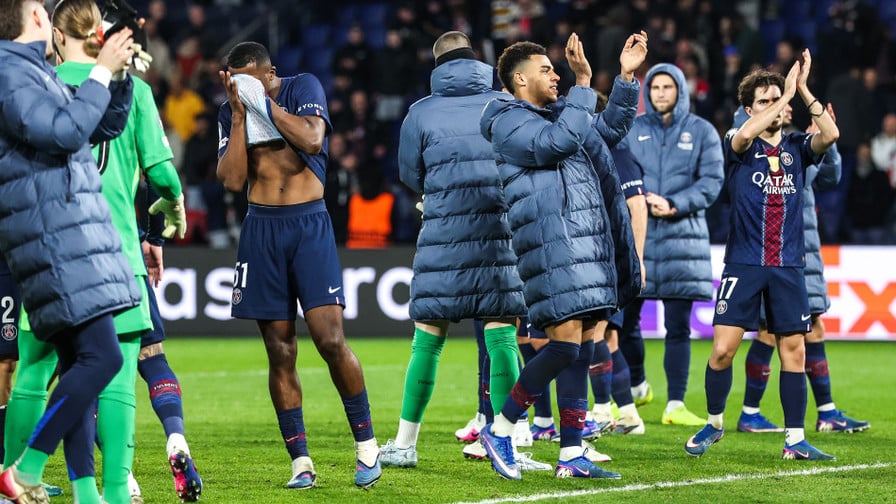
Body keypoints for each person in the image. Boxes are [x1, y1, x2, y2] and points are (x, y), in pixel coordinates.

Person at [3, 2, 192, 503]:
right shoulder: (29, 81)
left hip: (52, 247)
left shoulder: (44, 81)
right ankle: (79, 482)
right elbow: (161, 173)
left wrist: (119, 74)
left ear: (60, 34)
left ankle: (46, 481)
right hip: (102, 250)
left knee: (38, 372)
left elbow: (96, 128)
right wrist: (170, 215)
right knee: (111, 373)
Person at [477, 31, 646, 480]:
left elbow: (607, 130)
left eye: (557, 69)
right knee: (565, 344)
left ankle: (571, 455)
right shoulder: (508, 121)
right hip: (552, 245)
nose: (556, 74)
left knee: (582, 345)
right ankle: (501, 427)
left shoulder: (557, 113)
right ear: (519, 79)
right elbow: (558, 143)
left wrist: (626, 77)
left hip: (583, 242)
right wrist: (584, 81)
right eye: (546, 69)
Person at [379, 30, 548, 472]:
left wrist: (442, 194)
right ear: (478, 61)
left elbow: (409, 174)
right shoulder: (503, 103)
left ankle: (404, 444)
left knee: (427, 341)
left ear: (437, 66)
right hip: (499, 232)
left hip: (442, 234)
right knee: (503, 338)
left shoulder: (419, 113)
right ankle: (510, 442)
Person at [216, 41, 381, 490]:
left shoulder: (301, 87)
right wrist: (237, 115)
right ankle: (301, 462)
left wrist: (263, 105)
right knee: (280, 350)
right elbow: (231, 180)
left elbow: (312, 138)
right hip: (261, 230)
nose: (238, 86)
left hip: (308, 225)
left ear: (269, 73)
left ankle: (367, 447)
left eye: (247, 78)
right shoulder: (228, 112)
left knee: (330, 339)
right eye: (232, 80)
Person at [0, 0, 138, 501]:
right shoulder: (8, 75)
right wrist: (100, 71)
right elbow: (65, 132)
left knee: (80, 360)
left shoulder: (33, 73)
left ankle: (86, 494)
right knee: (103, 359)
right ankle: (24, 470)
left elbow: (103, 126)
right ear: (36, 22)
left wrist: (117, 78)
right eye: (39, 6)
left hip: (62, 239)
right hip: (54, 241)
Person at [685, 51, 839, 460]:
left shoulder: (797, 148)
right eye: (764, 100)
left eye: (778, 100)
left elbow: (830, 135)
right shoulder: (737, 145)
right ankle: (715, 422)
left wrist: (802, 90)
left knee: (795, 351)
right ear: (748, 110)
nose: (775, 105)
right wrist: (781, 93)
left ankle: (794, 440)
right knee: (723, 351)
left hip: (789, 266)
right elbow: (741, 135)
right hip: (744, 263)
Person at [735, 103, 870, 434]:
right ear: (754, 106)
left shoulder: (795, 144)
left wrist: (826, 141)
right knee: (771, 331)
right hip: (775, 252)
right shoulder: (748, 141)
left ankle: (825, 411)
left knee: (809, 328)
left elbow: (830, 178)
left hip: (803, 251)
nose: (785, 106)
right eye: (772, 100)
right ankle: (752, 412)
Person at [615, 62, 724, 426]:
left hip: (683, 240)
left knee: (678, 328)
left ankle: (675, 404)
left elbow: (711, 182)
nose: (661, 93)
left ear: (681, 90)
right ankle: (638, 385)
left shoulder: (702, 131)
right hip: (639, 241)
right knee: (625, 323)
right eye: (656, 88)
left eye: (668, 87)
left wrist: (674, 204)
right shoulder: (632, 129)